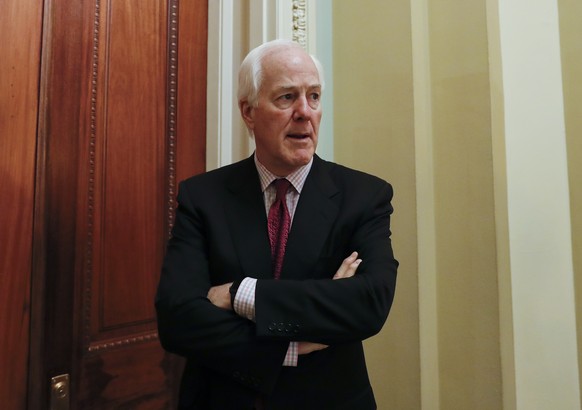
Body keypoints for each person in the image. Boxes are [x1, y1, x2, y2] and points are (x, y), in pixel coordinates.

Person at [155, 39, 398, 409]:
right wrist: (292, 344)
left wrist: (239, 294)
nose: (305, 112)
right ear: (248, 112)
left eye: (313, 96)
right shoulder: (202, 197)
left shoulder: (364, 195)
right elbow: (178, 319)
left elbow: (369, 303)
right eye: (286, 97)